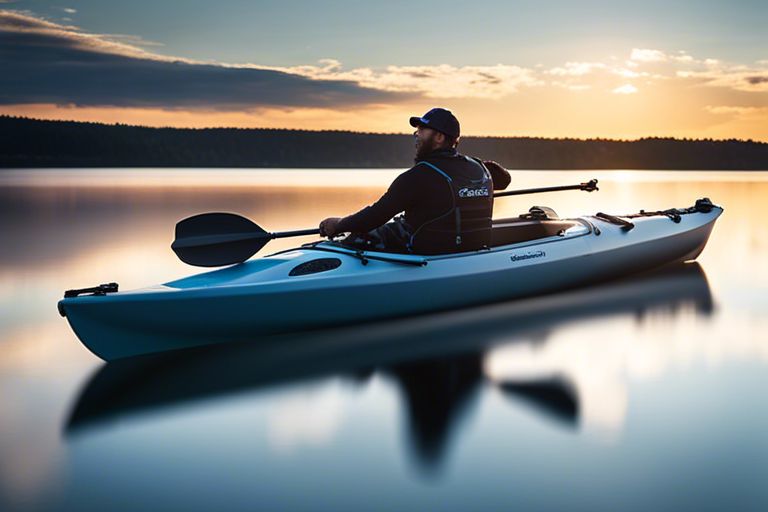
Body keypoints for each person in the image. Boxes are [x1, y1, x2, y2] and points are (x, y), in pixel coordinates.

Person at [319, 108, 511, 255]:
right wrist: (482, 164)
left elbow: (374, 217)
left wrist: (338, 224)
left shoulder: (418, 176)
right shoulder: (478, 167)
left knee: (360, 236)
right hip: (470, 249)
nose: (416, 135)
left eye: (422, 130)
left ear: (439, 137)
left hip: (430, 253)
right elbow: (504, 180)